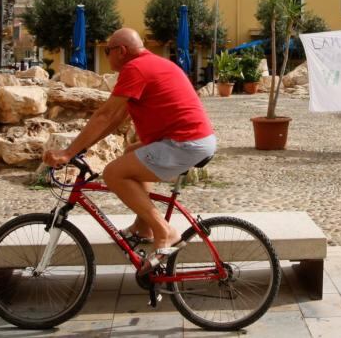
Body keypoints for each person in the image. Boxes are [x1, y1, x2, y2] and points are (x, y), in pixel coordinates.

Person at [43, 28, 216, 273]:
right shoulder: (150, 64)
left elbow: (103, 115)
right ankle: (144, 226)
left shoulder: (134, 69)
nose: (106, 55)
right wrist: (83, 148)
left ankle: (162, 230)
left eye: (107, 50)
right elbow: (114, 119)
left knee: (113, 174)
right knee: (130, 152)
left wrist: (68, 153)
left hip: (184, 142)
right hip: (192, 138)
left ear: (121, 51)